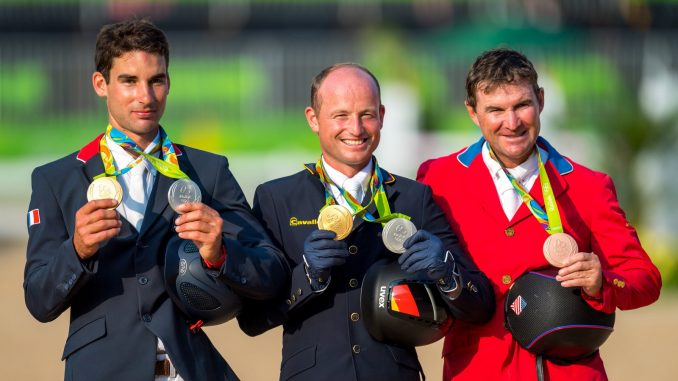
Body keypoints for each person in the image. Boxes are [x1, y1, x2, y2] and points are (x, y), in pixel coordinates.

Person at [23, 18, 287, 381]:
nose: (145, 97)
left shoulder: (208, 170)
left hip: (191, 370)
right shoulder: (56, 180)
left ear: (168, 83)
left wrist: (222, 253)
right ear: (101, 84)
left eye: (156, 81)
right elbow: (39, 302)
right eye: (129, 81)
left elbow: (272, 273)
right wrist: (77, 250)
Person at [236, 63, 494, 380]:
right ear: (313, 119)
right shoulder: (276, 198)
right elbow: (251, 320)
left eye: (367, 114)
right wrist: (306, 277)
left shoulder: (415, 198)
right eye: (341, 115)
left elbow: (480, 305)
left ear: (382, 116)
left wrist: (447, 271)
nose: (356, 128)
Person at [417, 48, 662, 380]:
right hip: (474, 369)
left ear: (541, 100)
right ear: (473, 113)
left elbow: (644, 278)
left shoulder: (589, 185)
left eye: (522, 105)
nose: (512, 122)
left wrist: (602, 281)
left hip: (565, 372)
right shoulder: (437, 178)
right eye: (495, 110)